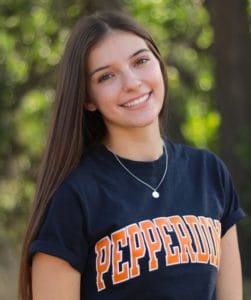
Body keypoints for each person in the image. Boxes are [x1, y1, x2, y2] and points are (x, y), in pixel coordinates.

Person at [18, 10, 245, 300]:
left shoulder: (209, 173)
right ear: (88, 99)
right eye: (106, 76)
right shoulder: (74, 196)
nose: (132, 82)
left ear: (159, 64)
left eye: (140, 61)